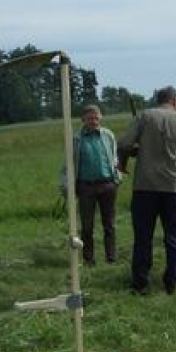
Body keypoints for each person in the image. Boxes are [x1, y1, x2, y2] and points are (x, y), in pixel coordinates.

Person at [117, 86, 176, 294]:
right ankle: (172, 281)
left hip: (145, 187)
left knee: (143, 237)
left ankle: (140, 282)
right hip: (174, 189)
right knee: (173, 235)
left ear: (159, 99)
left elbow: (124, 144)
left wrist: (126, 160)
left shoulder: (144, 117)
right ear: (175, 100)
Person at [62, 105, 121, 266]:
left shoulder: (108, 135)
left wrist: (117, 177)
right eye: (89, 118)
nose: (93, 121)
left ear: (100, 118)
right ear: (83, 120)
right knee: (87, 226)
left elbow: (114, 157)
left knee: (109, 224)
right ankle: (89, 259)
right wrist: (66, 185)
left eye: (96, 118)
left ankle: (111, 257)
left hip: (108, 184)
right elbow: (68, 164)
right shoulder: (76, 139)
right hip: (86, 186)